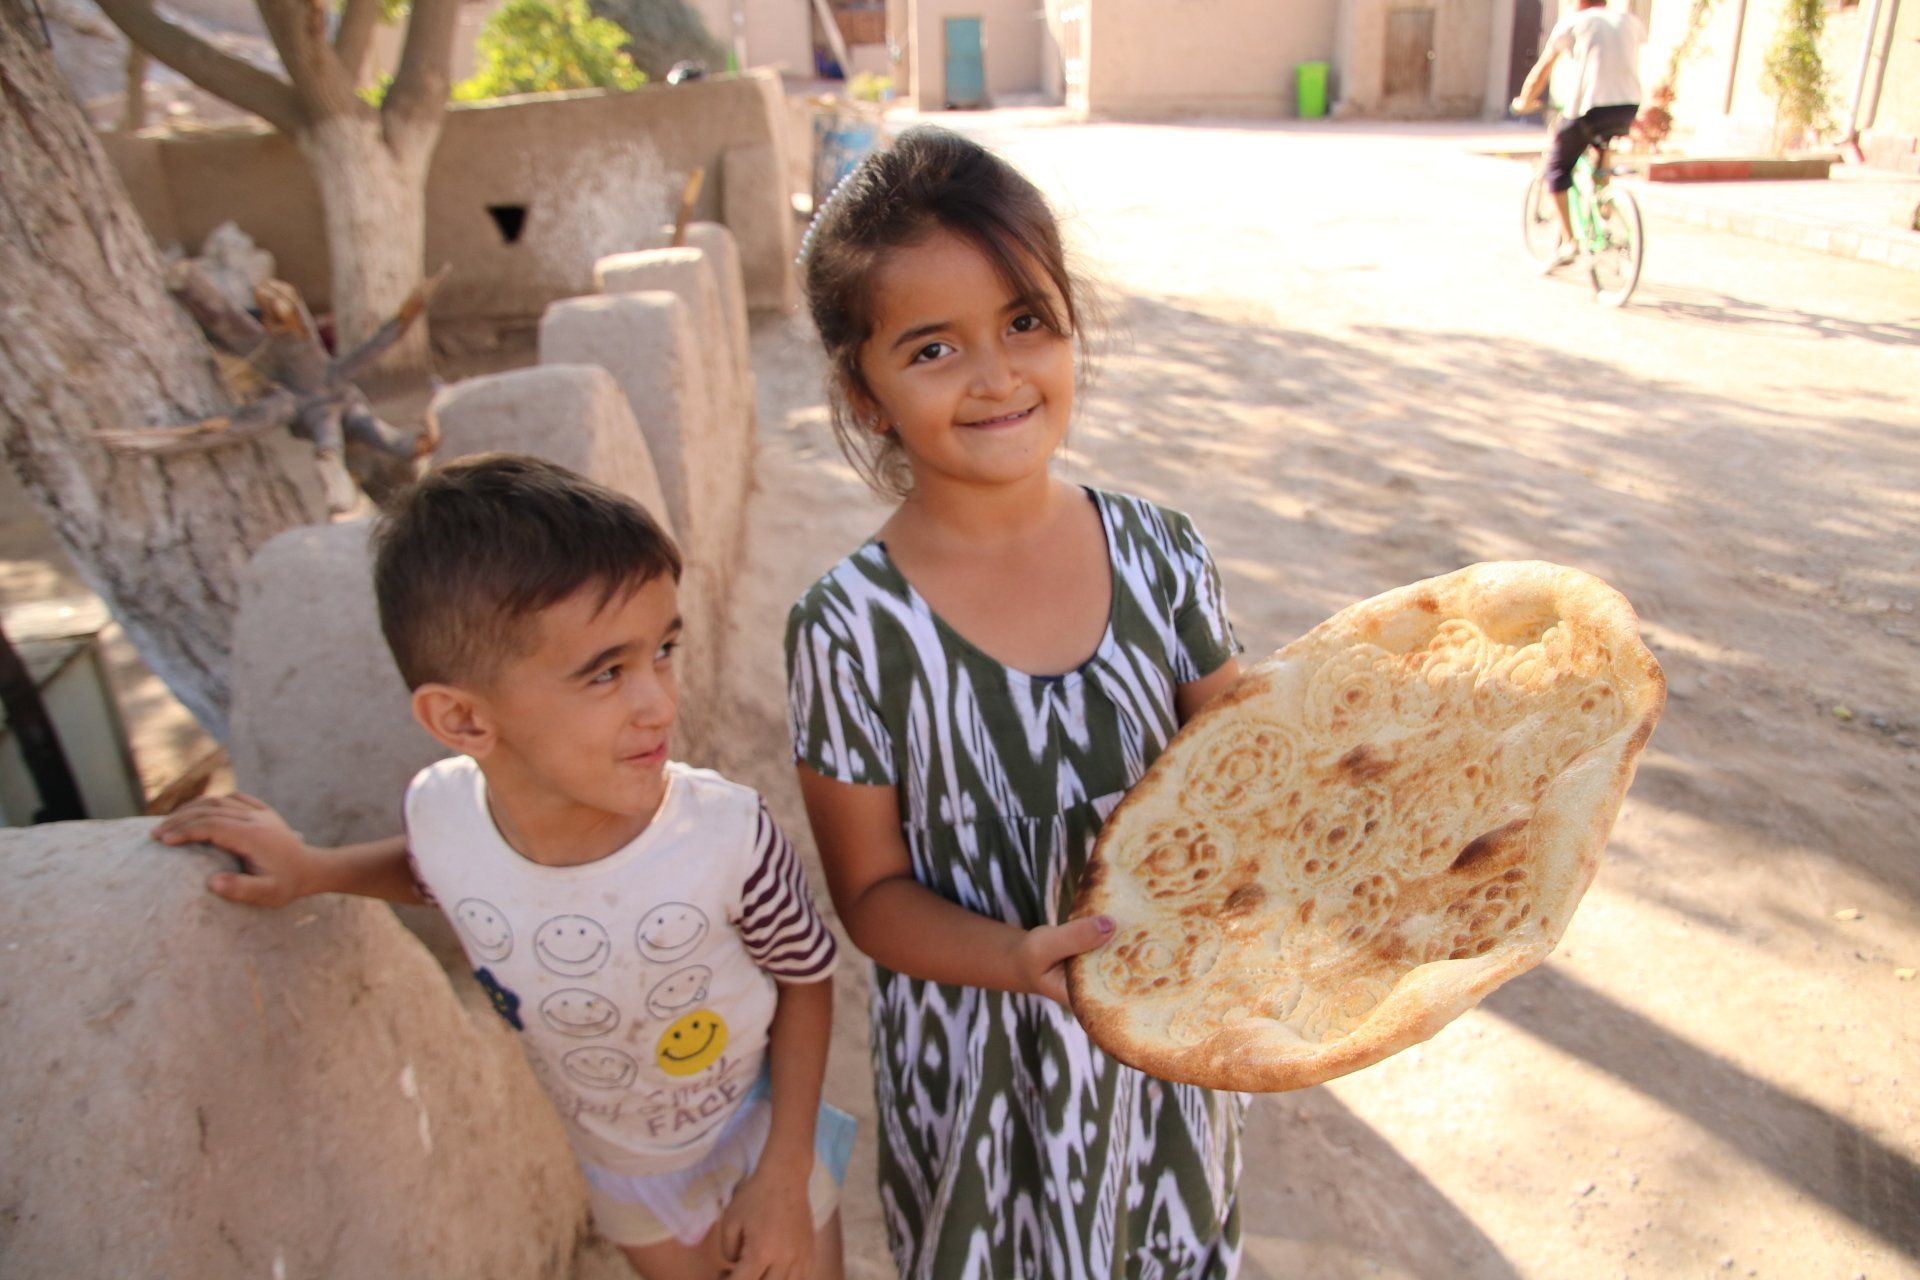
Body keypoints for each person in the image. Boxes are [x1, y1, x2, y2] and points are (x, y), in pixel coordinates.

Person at [154, 455, 851, 1280]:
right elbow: (439, 873)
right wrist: (313, 871)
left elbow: (806, 980)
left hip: (758, 1133)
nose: (659, 702)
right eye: (606, 672)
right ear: (461, 718)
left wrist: (782, 1171)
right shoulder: (442, 814)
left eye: (664, 649)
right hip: (624, 1173)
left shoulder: (727, 835)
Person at [784, 126, 1247, 1278]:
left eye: (1026, 322)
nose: (996, 375)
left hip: (1164, 1050)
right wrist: (1015, 954)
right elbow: (874, 895)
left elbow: (1245, 772)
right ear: (867, 391)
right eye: (934, 347)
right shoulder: (847, 628)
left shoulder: (1161, 554)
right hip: (978, 1082)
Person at [1512, 0, 1646, 269]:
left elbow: (1541, 72)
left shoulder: (1572, 23)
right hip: (1628, 107)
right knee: (1601, 147)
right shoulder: (1630, 21)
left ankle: (1570, 242)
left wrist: (1524, 101)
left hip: (1589, 108)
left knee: (1557, 169)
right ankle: (1604, 200)